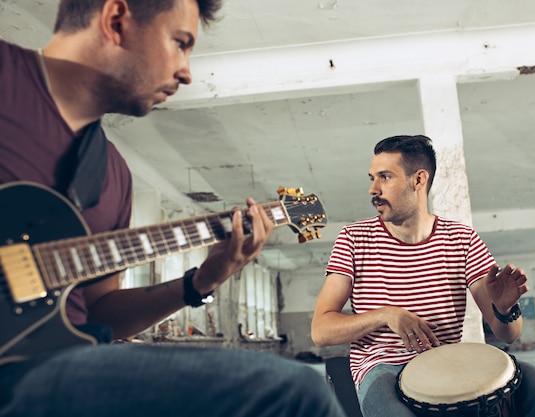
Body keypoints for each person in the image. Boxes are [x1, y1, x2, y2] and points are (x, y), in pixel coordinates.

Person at [0, 1, 347, 416]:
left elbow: (99, 312)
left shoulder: (111, 173)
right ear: (115, 21)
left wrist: (202, 281)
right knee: (291, 393)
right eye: (180, 43)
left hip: (56, 364)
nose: (187, 72)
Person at [311, 134, 535, 417]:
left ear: (418, 180)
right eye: (372, 178)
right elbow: (321, 332)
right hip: (381, 367)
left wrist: (505, 309)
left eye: (385, 177)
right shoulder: (353, 238)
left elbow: (507, 334)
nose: (373, 189)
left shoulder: (462, 238)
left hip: (446, 363)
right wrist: (385, 315)